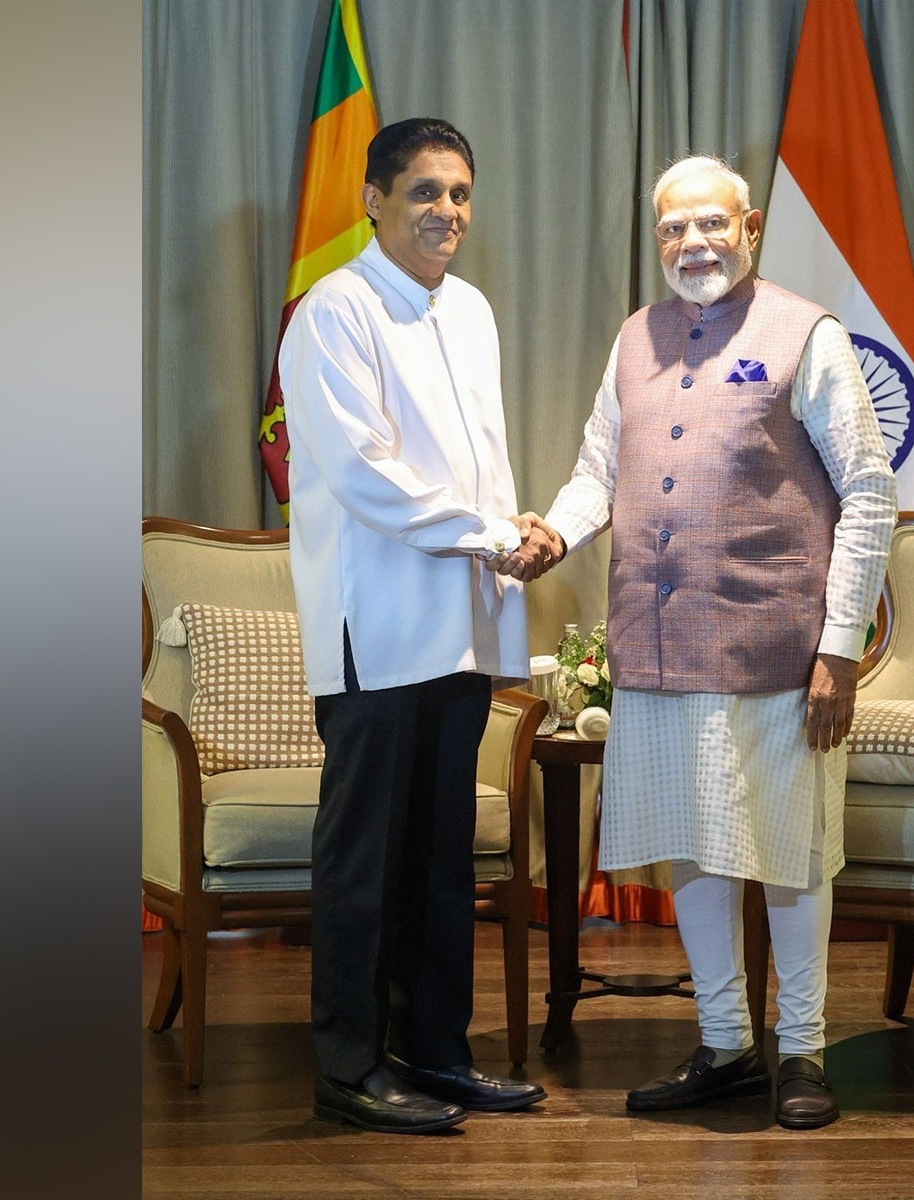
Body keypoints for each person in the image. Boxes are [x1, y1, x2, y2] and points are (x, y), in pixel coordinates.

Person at [496, 155, 897, 1130]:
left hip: (779, 650)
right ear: (657, 237)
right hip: (659, 648)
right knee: (695, 845)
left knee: (792, 853)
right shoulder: (636, 338)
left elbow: (870, 492)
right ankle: (726, 1044)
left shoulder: (807, 334)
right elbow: (601, 467)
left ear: (750, 224)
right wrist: (554, 529)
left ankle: (799, 1052)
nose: (693, 243)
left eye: (711, 224)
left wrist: (838, 649)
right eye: (673, 228)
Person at [279, 117, 546, 1134]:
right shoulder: (333, 311)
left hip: (463, 622)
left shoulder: (469, 309)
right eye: (426, 192)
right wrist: (491, 532)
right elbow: (360, 474)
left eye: (461, 194)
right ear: (373, 200)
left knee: (438, 856)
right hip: (376, 626)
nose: (447, 212)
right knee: (365, 859)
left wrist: (510, 528)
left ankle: (436, 1053)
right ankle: (349, 1064)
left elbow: (479, 455)